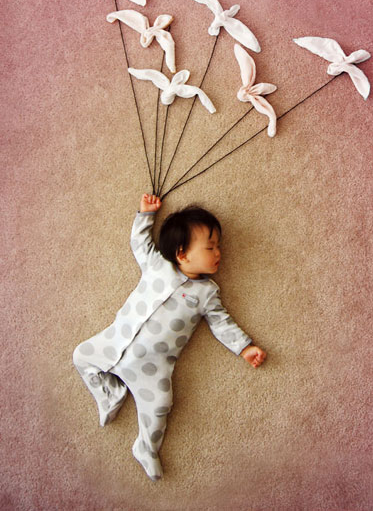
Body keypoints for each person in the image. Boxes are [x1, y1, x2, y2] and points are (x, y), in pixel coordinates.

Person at [73, 194, 266, 481]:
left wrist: (245, 347)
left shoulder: (206, 292)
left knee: (160, 405)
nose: (218, 253)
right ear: (182, 254)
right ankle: (110, 394)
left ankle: (145, 447)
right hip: (114, 340)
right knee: (81, 355)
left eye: (218, 246)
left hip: (152, 366)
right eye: (210, 247)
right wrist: (146, 214)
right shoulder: (157, 264)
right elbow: (140, 243)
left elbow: (221, 322)